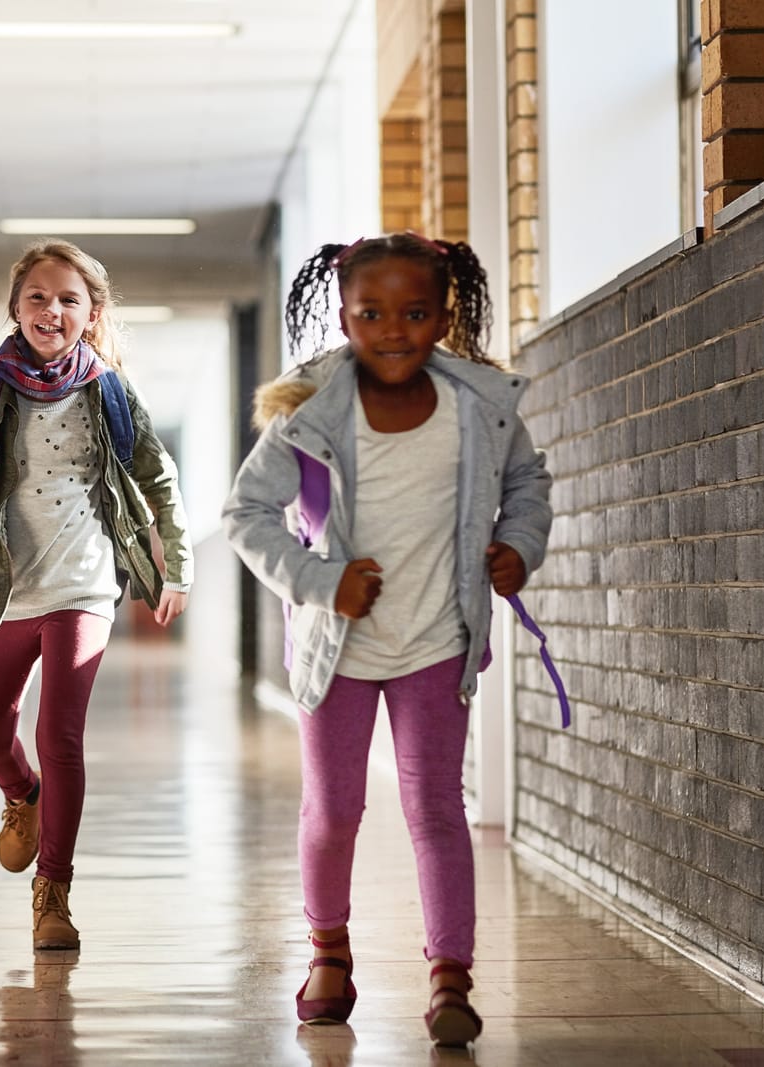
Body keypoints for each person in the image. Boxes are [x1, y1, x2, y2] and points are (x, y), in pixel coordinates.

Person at [222, 233, 553, 1046]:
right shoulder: (311, 413)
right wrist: (318, 581)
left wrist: (520, 545)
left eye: (415, 312)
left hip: (439, 638)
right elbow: (246, 516)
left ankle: (450, 978)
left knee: (437, 809)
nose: (395, 330)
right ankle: (328, 952)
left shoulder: (482, 405)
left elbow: (527, 486)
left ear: (445, 315)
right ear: (345, 316)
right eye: (373, 313)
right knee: (334, 811)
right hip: (338, 647)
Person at [0, 239, 192, 951]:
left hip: (83, 586)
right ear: (15, 308)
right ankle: (21, 794)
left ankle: (53, 893)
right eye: (38, 296)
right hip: (5, 587)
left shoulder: (111, 393)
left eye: (69, 299)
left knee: (59, 735)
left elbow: (159, 479)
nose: (52, 309)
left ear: (91, 314)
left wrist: (176, 567)